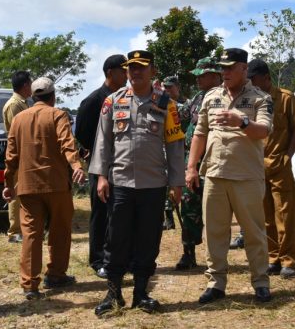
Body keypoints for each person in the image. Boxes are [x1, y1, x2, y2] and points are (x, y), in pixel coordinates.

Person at [89, 50, 185, 316]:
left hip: (153, 184)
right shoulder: (113, 101)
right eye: (132, 67)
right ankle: (113, 294)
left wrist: (177, 183)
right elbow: (103, 141)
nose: (136, 72)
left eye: (142, 67)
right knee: (115, 239)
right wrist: (101, 176)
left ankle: (141, 293)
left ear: (153, 70)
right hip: (120, 183)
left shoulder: (166, 104)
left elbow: (175, 145)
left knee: (148, 239)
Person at [186, 48, 274, 304]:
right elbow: (200, 133)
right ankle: (216, 282)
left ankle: (261, 282)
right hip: (214, 174)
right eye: (222, 68)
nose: (224, 72)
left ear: (244, 69)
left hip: (247, 176)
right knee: (214, 232)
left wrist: (242, 122)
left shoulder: (260, 98)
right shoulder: (211, 96)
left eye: (230, 67)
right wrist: (191, 167)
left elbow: (263, 131)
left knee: (254, 232)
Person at [3, 77, 86, 299]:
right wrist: (76, 166)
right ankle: (56, 275)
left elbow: (11, 156)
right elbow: (67, 144)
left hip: (28, 186)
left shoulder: (18, 119)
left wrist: (8, 184)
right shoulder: (58, 115)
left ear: (33, 96)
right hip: (56, 185)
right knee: (60, 231)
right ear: (53, 97)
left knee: (31, 234)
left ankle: (30, 285)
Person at [247, 59, 295, 278]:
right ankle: (273, 258)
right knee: (265, 215)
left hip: (279, 164)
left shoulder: (286, 98)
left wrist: (288, 154)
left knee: (285, 214)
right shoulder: (250, 100)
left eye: (253, 79)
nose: (250, 83)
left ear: (266, 78)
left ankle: (289, 260)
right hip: (256, 165)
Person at [75, 54, 127, 278]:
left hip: (121, 163)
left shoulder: (124, 97)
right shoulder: (94, 100)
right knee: (100, 211)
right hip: (100, 164)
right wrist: (97, 152)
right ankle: (98, 259)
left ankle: (117, 256)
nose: (127, 75)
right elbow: (82, 133)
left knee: (118, 212)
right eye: (123, 71)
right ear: (110, 73)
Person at [174, 57, 222, 270]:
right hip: (193, 164)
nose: (197, 79)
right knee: (189, 206)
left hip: (215, 163)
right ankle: (188, 253)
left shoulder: (224, 97)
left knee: (217, 212)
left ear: (214, 75)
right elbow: (179, 113)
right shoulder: (197, 98)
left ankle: (218, 258)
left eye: (201, 76)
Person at [2, 70, 33, 244]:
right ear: (25, 85)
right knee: (15, 192)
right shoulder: (14, 105)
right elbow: (18, 133)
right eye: (30, 83)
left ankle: (23, 228)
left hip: (25, 153)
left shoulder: (24, 103)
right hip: (18, 154)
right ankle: (14, 232)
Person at [162, 75, 183, 230]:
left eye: (170, 87)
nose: (167, 90)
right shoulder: (161, 106)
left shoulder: (184, 107)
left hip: (181, 152)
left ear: (178, 88)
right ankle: (168, 218)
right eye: (165, 87)